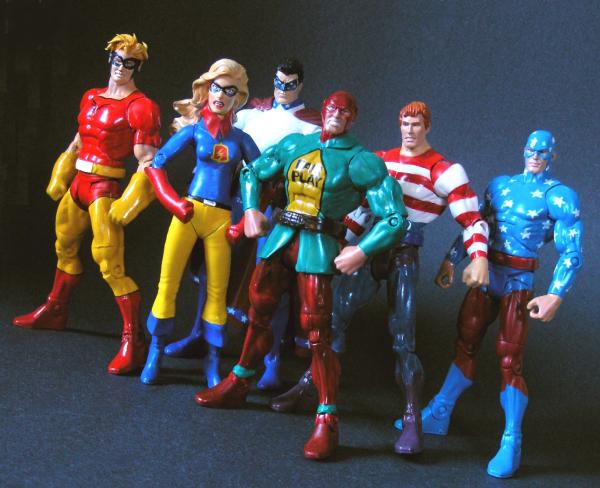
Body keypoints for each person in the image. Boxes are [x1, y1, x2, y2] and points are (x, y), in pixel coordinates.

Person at [194, 91, 409, 460]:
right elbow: (252, 171)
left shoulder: (361, 161)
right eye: (331, 108)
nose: (336, 115)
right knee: (258, 310)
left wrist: (361, 250)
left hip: (319, 242)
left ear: (353, 118)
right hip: (282, 235)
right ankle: (240, 381)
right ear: (323, 111)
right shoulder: (296, 143)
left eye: (344, 111)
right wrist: (250, 210)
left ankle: (327, 416)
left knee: (317, 331)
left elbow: (394, 217)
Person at [271, 101, 489, 456]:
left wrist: (478, 258)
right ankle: (311, 383)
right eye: (404, 123)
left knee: (403, 336)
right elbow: (362, 209)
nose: (409, 130)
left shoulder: (444, 170)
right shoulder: (380, 160)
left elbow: (471, 218)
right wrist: (344, 242)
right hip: (371, 248)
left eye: (416, 124)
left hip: (404, 253)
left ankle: (412, 417)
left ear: (427, 127)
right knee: (333, 317)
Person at [424, 130, 582, 478]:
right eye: (531, 149)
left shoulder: (558, 196)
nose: (535, 156)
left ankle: (511, 439)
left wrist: (555, 294)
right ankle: (440, 410)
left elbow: (571, 250)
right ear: (523, 150)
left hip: (518, 282)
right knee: (465, 341)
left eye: (543, 152)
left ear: (552, 156)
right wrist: (452, 259)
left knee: (510, 360)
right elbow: (475, 225)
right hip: (487, 272)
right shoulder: (500, 186)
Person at [164, 58, 321, 388]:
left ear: (301, 85)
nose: (282, 90)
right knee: (210, 272)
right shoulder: (251, 114)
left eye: (290, 84)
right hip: (232, 201)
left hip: (274, 209)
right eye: (278, 82)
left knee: (271, 281)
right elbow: (219, 133)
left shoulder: (311, 127)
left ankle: (271, 359)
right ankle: (200, 335)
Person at [13, 34, 161, 375]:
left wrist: (131, 200)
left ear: (138, 67)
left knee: (110, 264)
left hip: (104, 187)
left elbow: (148, 161)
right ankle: (56, 309)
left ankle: (134, 338)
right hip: (79, 182)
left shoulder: (141, 106)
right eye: (118, 60)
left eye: (130, 63)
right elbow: (79, 139)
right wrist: (62, 171)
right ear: (110, 60)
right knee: (64, 245)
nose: (122, 67)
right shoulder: (91, 96)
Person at [140, 59, 260, 386]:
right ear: (207, 89)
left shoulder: (241, 140)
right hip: (189, 212)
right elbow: (156, 164)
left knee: (217, 292)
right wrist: (172, 201)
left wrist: (245, 219)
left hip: (221, 219)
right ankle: (155, 351)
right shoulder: (195, 131)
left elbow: (261, 177)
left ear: (239, 98)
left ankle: (212, 361)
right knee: (168, 283)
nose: (221, 95)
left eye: (229, 91)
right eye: (217, 88)